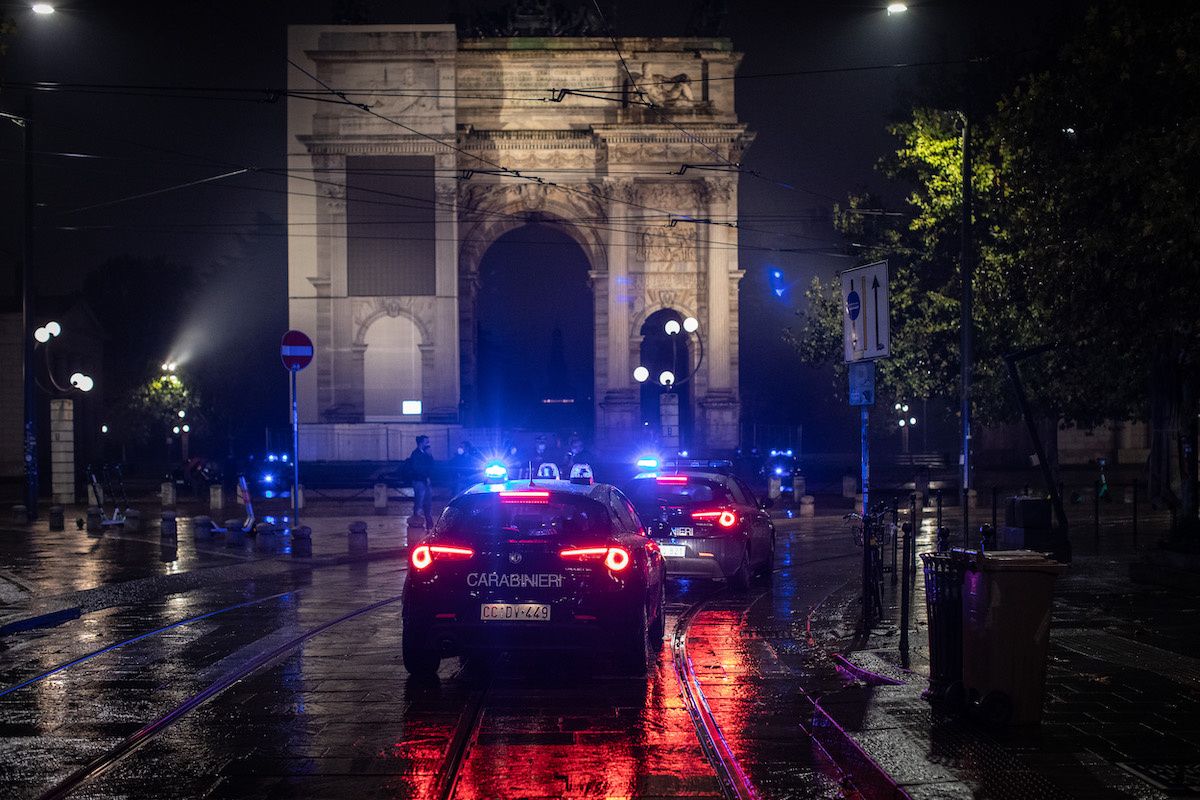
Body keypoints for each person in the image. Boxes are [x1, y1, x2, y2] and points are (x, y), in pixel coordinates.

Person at [409, 435, 435, 528]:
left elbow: (431, 466)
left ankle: (429, 524)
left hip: (425, 481)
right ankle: (416, 524)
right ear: (421, 443)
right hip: (419, 481)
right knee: (419, 502)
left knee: (427, 503)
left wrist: (430, 456)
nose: (428, 443)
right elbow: (417, 468)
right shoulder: (416, 454)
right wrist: (426, 477)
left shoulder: (425, 454)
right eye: (426, 442)